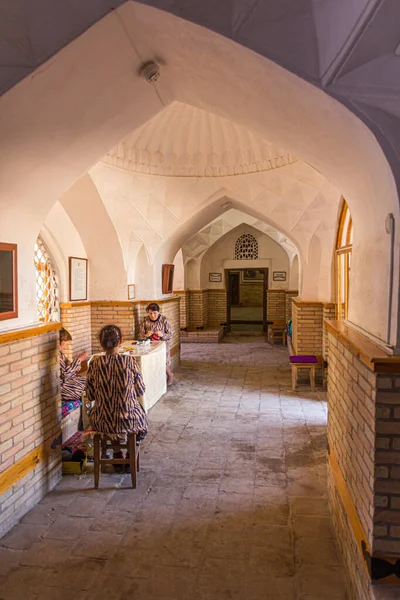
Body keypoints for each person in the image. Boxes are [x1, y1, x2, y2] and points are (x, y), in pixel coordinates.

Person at [87, 325, 148, 445]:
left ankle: (117, 452)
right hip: (130, 420)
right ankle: (130, 451)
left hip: (101, 421)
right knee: (140, 410)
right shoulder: (129, 361)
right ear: (120, 342)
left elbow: (90, 395)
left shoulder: (94, 364)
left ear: (100, 342)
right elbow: (140, 390)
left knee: (96, 412)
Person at [138, 302, 174, 385]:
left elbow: (170, 335)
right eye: (150, 313)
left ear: (158, 312)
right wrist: (146, 335)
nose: (153, 315)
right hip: (149, 345)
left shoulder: (164, 320)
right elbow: (139, 335)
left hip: (162, 344)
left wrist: (162, 334)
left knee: (161, 360)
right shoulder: (145, 320)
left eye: (155, 313)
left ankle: (170, 375)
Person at [59, 328, 88, 415]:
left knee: (91, 381)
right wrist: (79, 360)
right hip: (64, 387)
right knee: (89, 387)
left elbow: (68, 368)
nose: (65, 344)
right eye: (65, 341)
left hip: (70, 381)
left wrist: (75, 365)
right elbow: (65, 376)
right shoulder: (54, 356)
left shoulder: (60, 353)